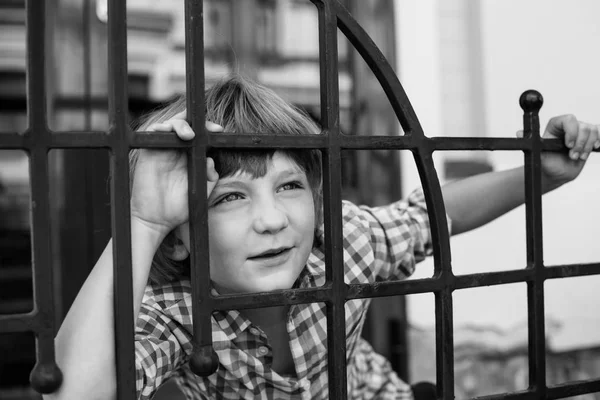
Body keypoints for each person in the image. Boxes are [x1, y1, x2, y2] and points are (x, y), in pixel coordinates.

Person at [47, 75, 599, 400]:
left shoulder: (344, 244)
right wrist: (143, 222)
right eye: (230, 197)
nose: (272, 220)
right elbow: (77, 394)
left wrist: (540, 177)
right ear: (179, 239)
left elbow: (434, 214)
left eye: (288, 185)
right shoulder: (174, 314)